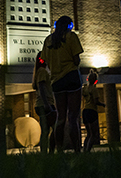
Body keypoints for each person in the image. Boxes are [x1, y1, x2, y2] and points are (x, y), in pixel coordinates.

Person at [40, 15, 83, 152]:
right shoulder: (71, 37)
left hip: (56, 82)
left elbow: (44, 60)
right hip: (71, 77)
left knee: (61, 117)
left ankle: (59, 150)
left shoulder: (48, 40)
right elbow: (76, 60)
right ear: (68, 25)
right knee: (73, 117)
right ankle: (77, 149)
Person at [32, 52, 56, 154]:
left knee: (46, 131)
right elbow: (41, 87)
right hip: (45, 104)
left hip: (42, 104)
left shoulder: (40, 71)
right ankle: (49, 152)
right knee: (54, 129)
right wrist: (46, 104)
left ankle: (45, 153)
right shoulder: (42, 71)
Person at [81, 68, 105, 151]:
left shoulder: (84, 88)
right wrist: (103, 104)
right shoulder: (94, 89)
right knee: (94, 134)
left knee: (88, 133)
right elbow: (96, 101)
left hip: (85, 111)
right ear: (95, 81)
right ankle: (88, 150)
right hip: (92, 111)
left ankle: (84, 149)